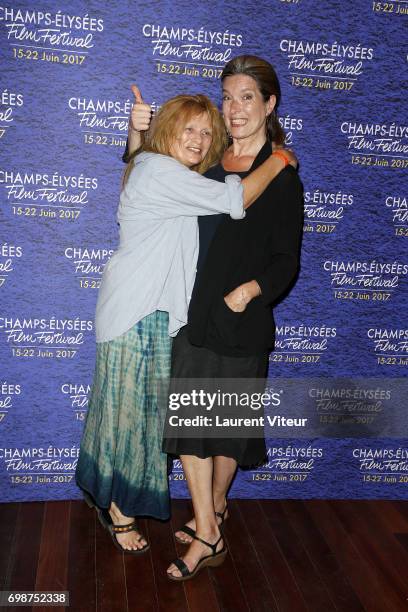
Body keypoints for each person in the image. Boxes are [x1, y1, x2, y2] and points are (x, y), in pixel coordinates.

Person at [76, 91, 294, 556]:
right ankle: (120, 513)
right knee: (132, 418)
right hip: (137, 310)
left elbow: (136, 166)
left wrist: (135, 137)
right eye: (189, 129)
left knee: (132, 417)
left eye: (207, 133)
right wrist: (279, 159)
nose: (199, 140)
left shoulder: (166, 172)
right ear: (167, 132)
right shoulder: (163, 171)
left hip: (152, 313)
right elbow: (234, 199)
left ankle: (119, 501)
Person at [127, 55, 303, 578]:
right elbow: (144, 177)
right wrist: (136, 136)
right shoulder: (205, 160)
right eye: (228, 97)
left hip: (244, 318)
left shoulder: (284, 174)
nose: (234, 108)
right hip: (192, 313)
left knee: (225, 427)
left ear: (269, 104)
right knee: (190, 422)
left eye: (247, 97)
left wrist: (252, 290)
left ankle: (216, 511)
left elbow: (287, 260)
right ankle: (206, 528)